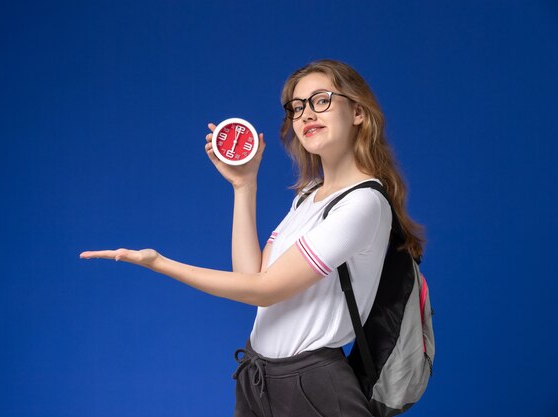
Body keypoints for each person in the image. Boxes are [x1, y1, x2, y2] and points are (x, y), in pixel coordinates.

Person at [80, 59, 424, 417]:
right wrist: (245, 186)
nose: (306, 114)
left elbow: (266, 289)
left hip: (314, 389)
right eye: (297, 107)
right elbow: (251, 276)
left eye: (321, 100)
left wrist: (160, 263)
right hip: (260, 379)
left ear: (357, 111)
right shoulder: (309, 195)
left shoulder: (364, 203)